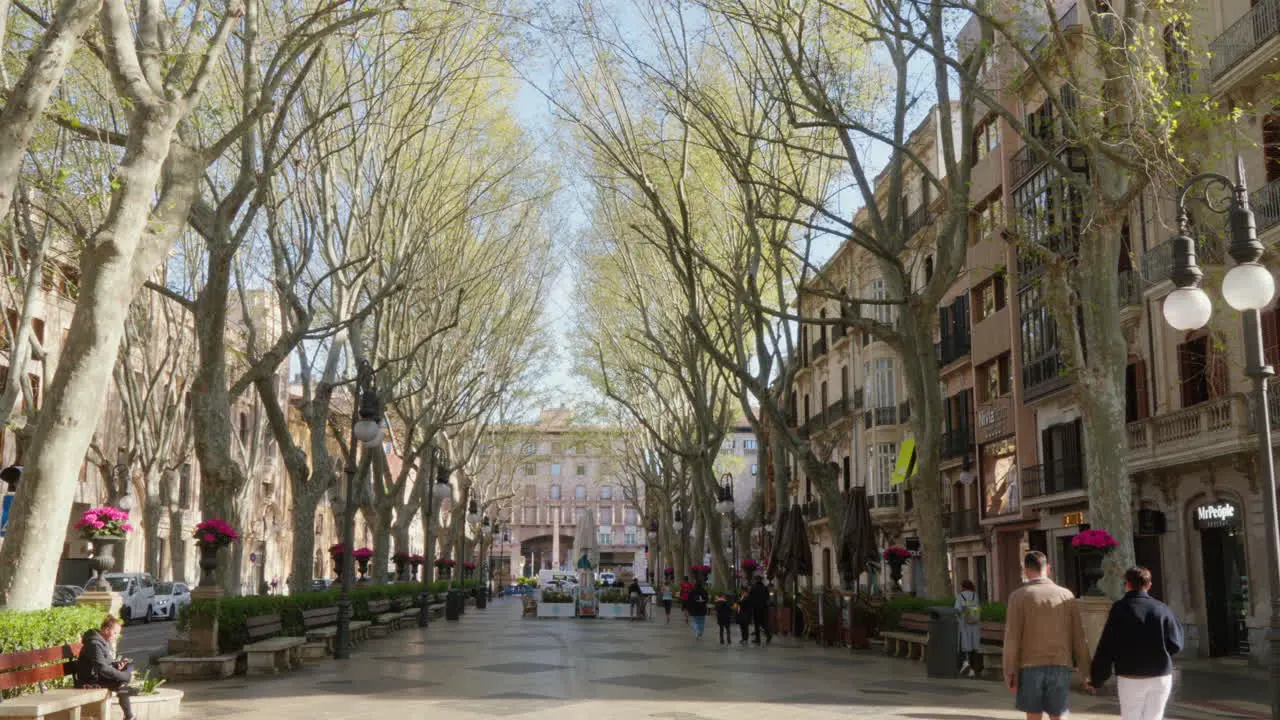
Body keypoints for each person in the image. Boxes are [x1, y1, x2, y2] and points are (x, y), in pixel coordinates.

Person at [1003, 551, 1090, 720]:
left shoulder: (1018, 597)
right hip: (1060, 663)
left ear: (1026, 570)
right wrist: (1086, 672)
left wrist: (1010, 671)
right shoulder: (1067, 596)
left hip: (1029, 665)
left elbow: (1012, 637)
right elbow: (1079, 637)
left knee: (1033, 714)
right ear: (1048, 569)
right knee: (1058, 714)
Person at [1089, 566, 1183, 720]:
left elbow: (1107, 646)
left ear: (1127, 584)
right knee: (1154, 717)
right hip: (1160, 675)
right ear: (1149, 585)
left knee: (1130, 716)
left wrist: (1097, 678)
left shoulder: (1120, 609)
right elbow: (1176, 643)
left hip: (1130, 675)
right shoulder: (1162, 609)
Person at [76, 615, 137, 720]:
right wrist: (124, 676)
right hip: (90, 681)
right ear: (106, 630)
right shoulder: (94, 644)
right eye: (115, 633)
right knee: (122, 683)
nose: (116, 636)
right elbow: (102, 668)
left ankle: (129, 716)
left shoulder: (104, 642)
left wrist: (117, 665)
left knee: (129, 668)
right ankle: (129, 716)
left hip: (98, 676)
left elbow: (107, 663)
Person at [955, 579, 984, 677]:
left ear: (963, 587)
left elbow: (957, 609)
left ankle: (966, 664)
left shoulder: (960, 596)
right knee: (974, 646)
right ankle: (974, 668)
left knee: (965, 644)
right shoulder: (975, 595)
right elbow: (978, 608)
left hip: (964, 624)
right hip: (974, 623)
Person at [747, 576, 772, 645]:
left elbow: (750, 598)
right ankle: (768, 635)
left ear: (756, 580)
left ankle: (758, 639)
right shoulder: (765, 588)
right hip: (764, 608)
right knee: (763, 623)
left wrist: (751, 607)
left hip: (756, 609)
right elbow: (768, 597)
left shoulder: (753, 588)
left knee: (757, 624)